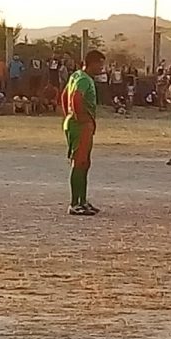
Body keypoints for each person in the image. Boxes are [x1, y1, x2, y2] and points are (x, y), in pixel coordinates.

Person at [61, 50, 106, 216]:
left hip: (78, 123)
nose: (101, 68)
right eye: (100, 64)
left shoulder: (77, 75)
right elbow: (75, 97)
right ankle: (74, 203)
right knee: (79, 162)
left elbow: (64, 95)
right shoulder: (84, 79)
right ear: (92, 63)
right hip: (80, 125)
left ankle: (82, 200)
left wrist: (68, 114)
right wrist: (80, 118)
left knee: (85, 163)